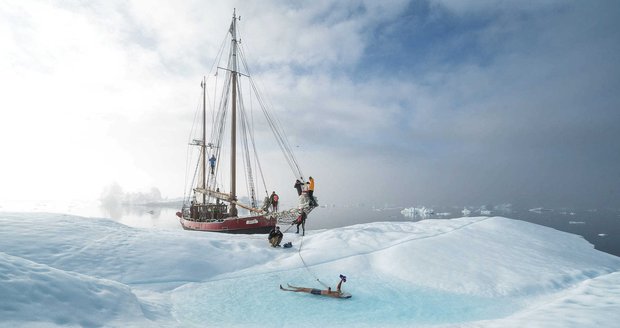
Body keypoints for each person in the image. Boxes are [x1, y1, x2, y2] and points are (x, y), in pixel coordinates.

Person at [280, 275, 349, 298]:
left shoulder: (337, 296)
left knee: (302, 290)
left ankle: (285, 289)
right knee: (303, 288)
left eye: (343, 294)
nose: (342, 293)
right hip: (318, 290)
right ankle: (291, 286)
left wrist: (329, 289)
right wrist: (341, 280)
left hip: (317, 292)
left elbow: (329, 293)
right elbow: (338, 287)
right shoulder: (338, 292)